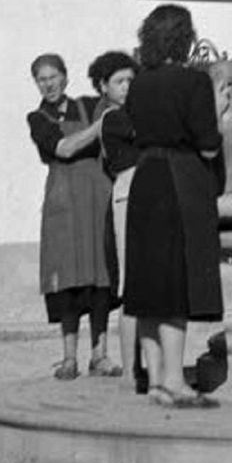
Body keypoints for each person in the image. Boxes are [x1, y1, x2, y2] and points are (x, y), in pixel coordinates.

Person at [122, 5, 224, 410]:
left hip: (145, 177)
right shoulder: (193, 82)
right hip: (180, 178)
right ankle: (175, 380)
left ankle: (154, 379)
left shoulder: (139, 83)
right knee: (176, 282)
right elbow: (208, 144)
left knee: (147, 283)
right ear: (184, 38)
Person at [27, 53, 120, 380]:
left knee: (100, 278)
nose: (48, 84)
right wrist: (98, 127)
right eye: (42, 79)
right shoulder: (38, 119)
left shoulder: (89, 105)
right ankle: (69, 358)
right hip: (64, 206)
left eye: (53, 77)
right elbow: (63, 148)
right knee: (67, 280)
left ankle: (100, 355)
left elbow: (116, 108)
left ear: (65, 77)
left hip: (97, 200)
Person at [89, 49, 142, 389]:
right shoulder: (112, 118)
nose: (126, 87)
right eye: (119, 81)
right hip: (127, 194)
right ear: (103, 86)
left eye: (130, 80)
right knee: (130, 286)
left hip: (146, 192)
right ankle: (130, 368)